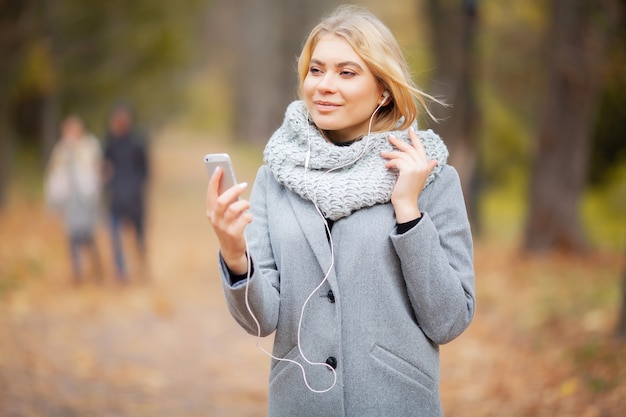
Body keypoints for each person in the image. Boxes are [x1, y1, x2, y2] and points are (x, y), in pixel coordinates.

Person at [206, 5, 475, 416]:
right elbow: (261, 322)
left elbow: (449, 320)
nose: (324, 86)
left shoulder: (430, 176)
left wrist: (408, 211)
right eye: (316, 70)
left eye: (346, 73)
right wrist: (234, 254)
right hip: (301, 404)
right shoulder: (275, 177)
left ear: (383, 89)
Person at [45, 115, 103, 283]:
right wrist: (54, 201)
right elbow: (54, 175)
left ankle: (96, 268)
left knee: (88, 235)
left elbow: (96, 169)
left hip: (86, 197)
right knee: (72, 237)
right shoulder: (61, 150)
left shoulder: (89, 146)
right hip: (69, 199)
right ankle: (77, 272)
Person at [103, 103, 150, 280]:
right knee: (115, 237)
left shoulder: (137, 142)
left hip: (134, 198)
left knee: (139, 236)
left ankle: (141, 268)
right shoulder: (110, 143)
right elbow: (105, 168)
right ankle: (120, 271)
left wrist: (137, 188)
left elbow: (145, 171)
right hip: (116, 198)